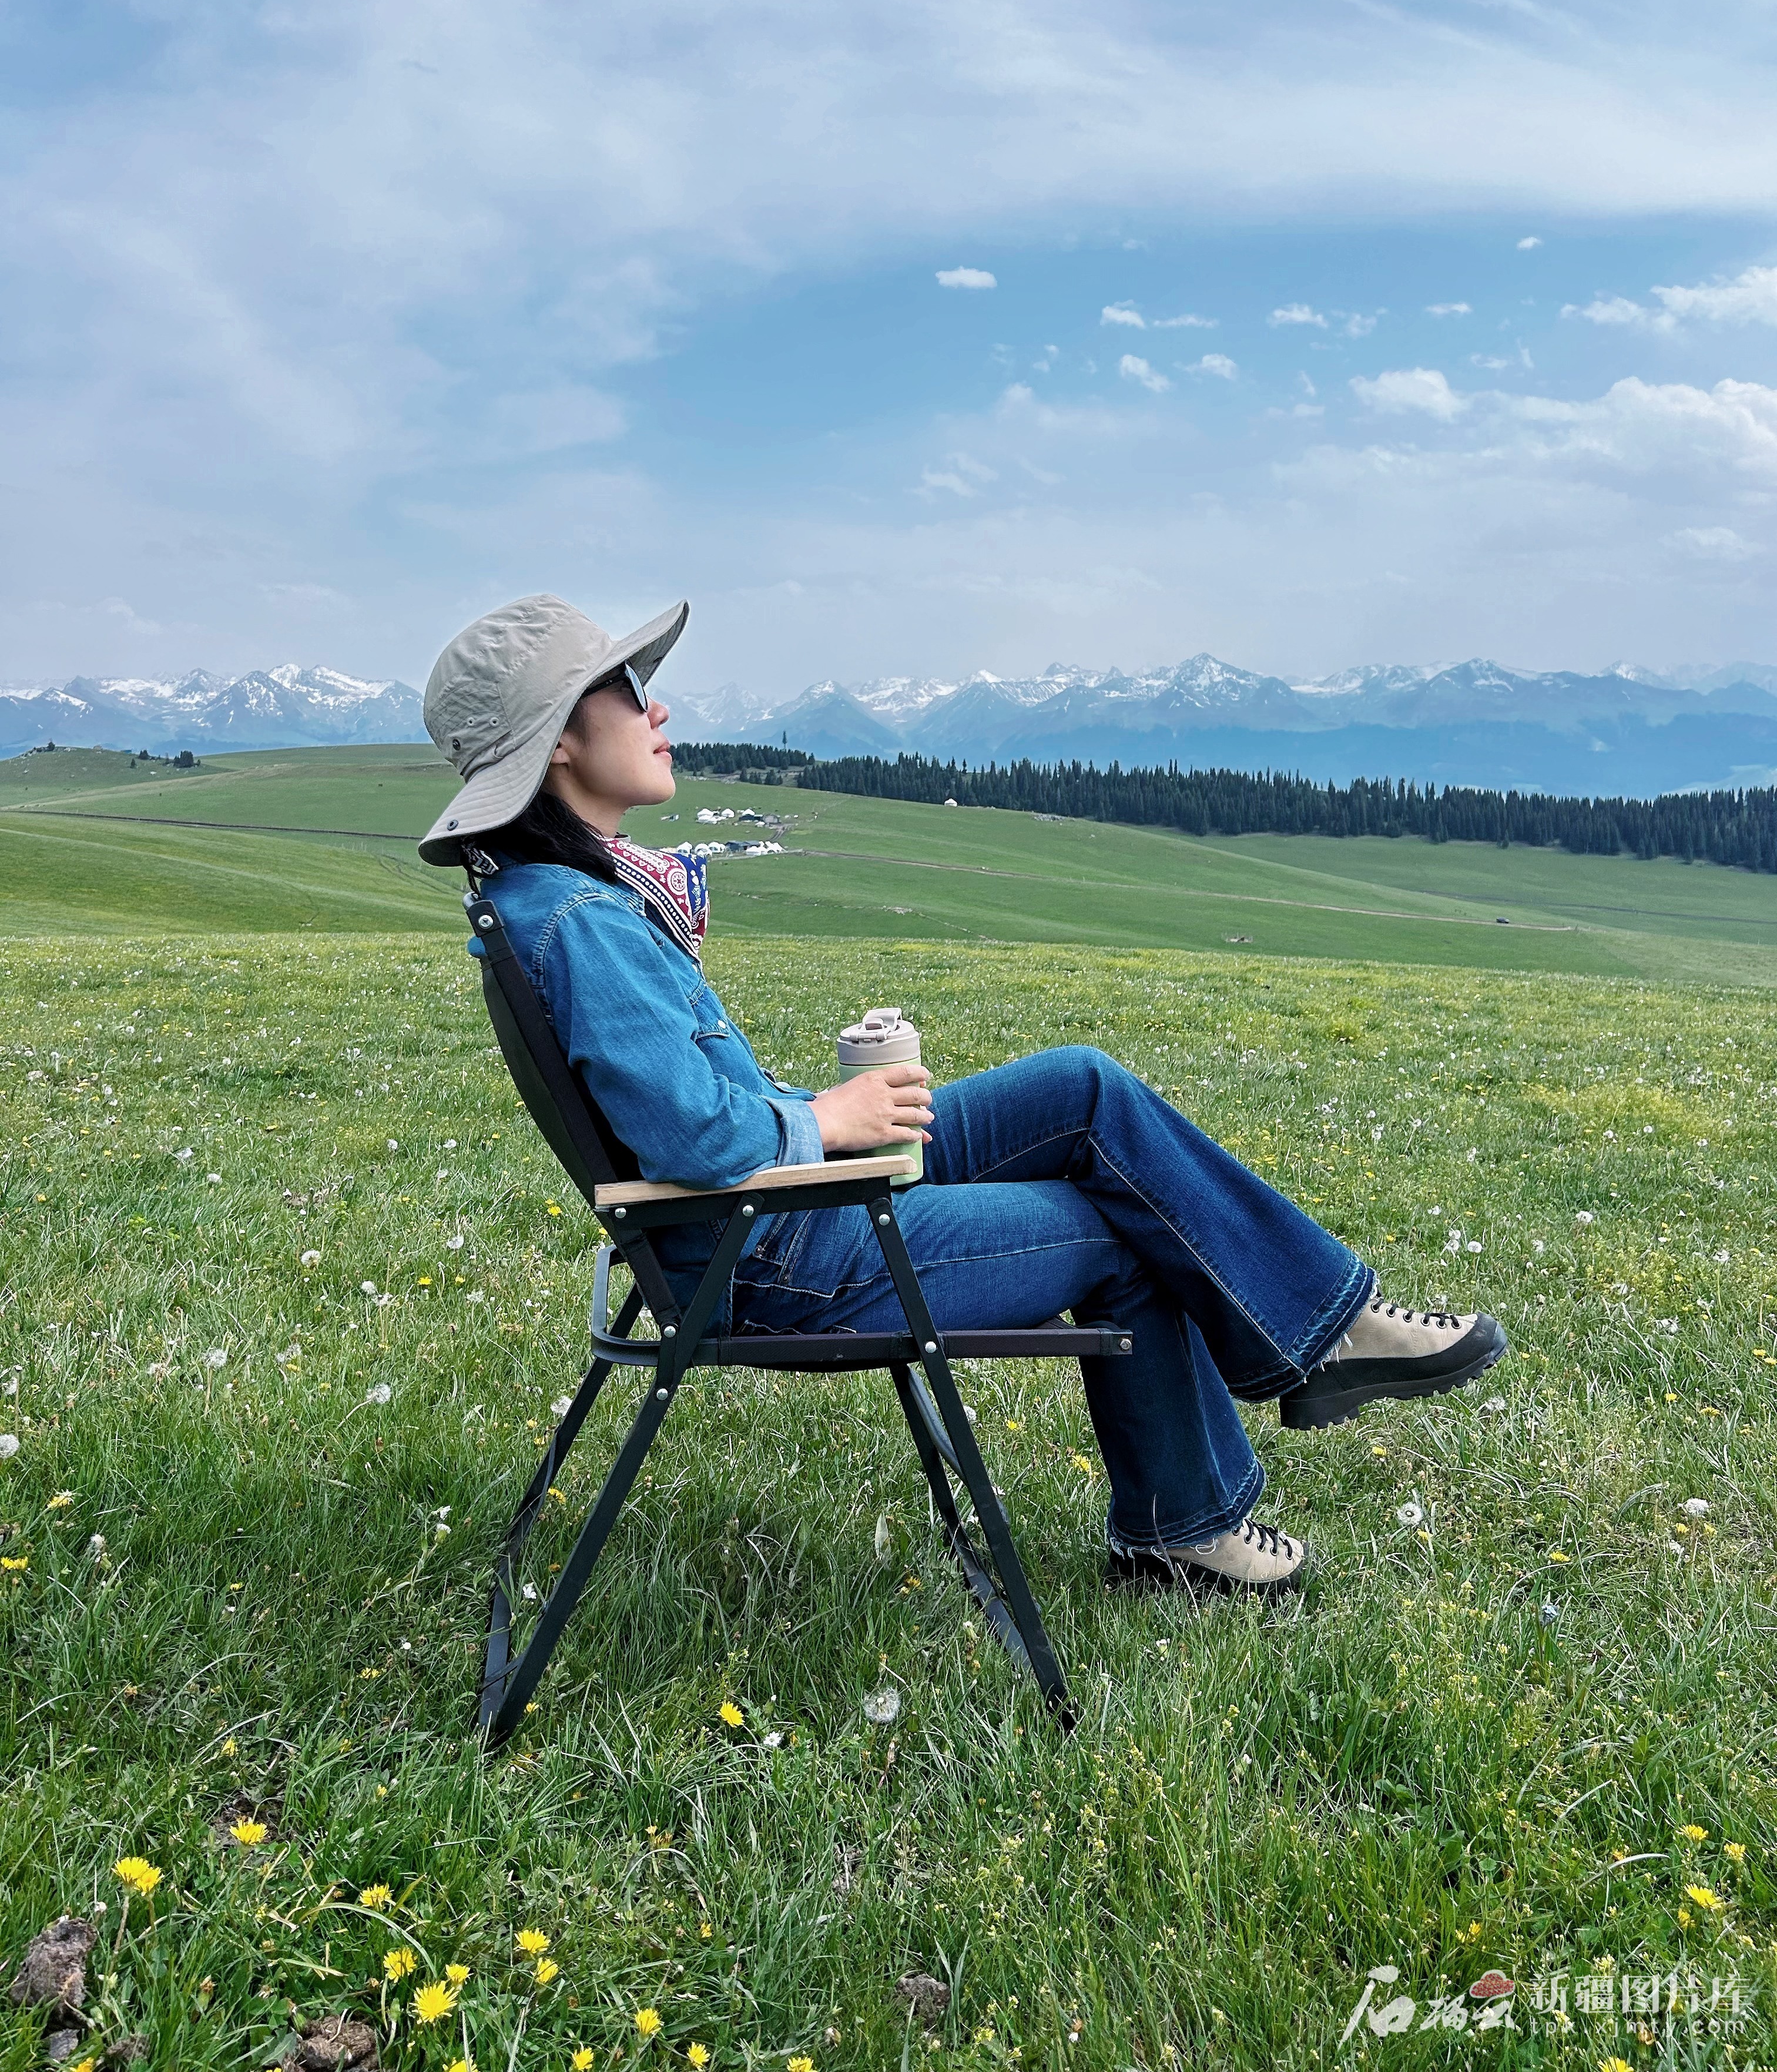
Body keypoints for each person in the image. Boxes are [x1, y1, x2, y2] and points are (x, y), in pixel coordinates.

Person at [421, 594, 1507, 1595]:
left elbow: (690, 1108)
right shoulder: (583, 923)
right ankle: (1188, 1525)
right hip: (786, 1250)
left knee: (1083, 1087)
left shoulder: (563, 900)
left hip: (784, 1209)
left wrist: (826, 1114)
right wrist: (828, 1120)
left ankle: (1327, 1328)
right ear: (559, 739)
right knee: (1129, 1222)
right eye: (624, 690)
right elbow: (698, 1139)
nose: (656, 708)